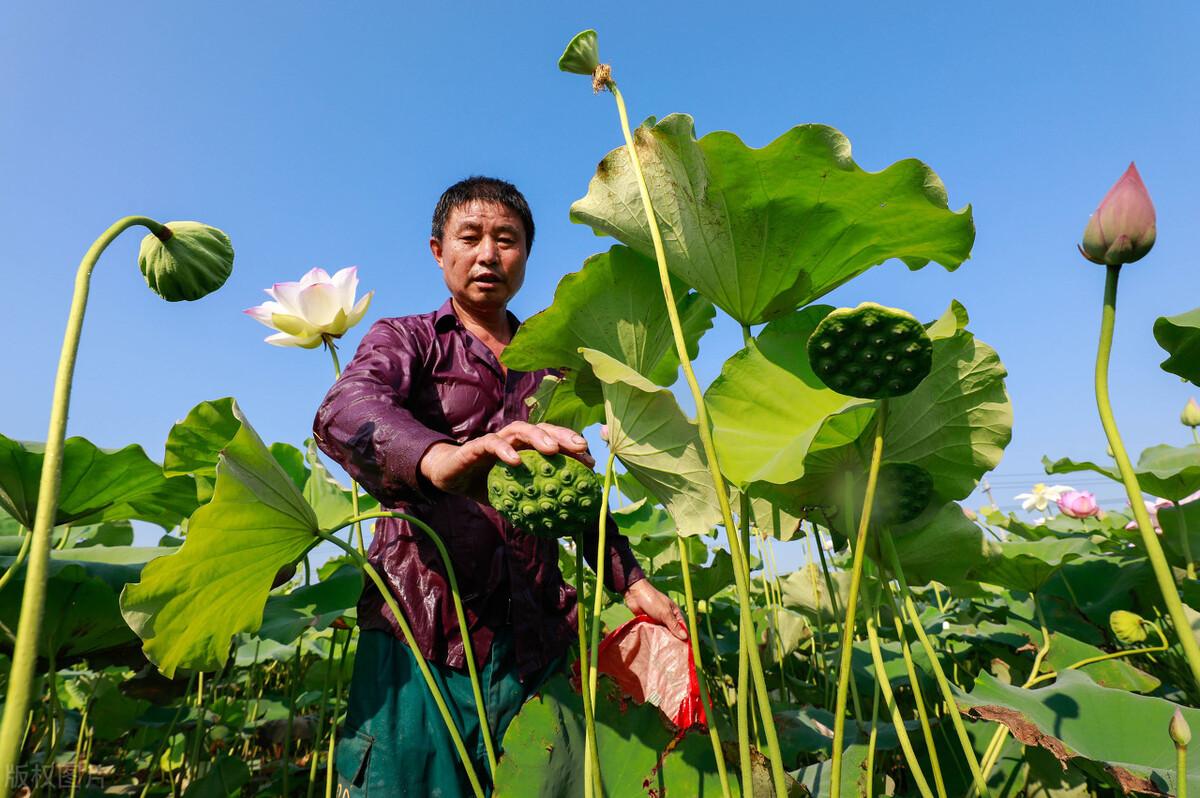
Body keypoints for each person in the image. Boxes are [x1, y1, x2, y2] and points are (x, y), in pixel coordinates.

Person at [313, 176, 685, 797]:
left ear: (526, 255)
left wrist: (632, 578)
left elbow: (569, 497)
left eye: (506, 240)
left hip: (535, 637)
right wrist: (441, 458)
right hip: (420, 630)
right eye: (471, 237)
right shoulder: (406, 340)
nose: (488, 254)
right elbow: (344, 410)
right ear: (439, 251)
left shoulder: (553, 363)